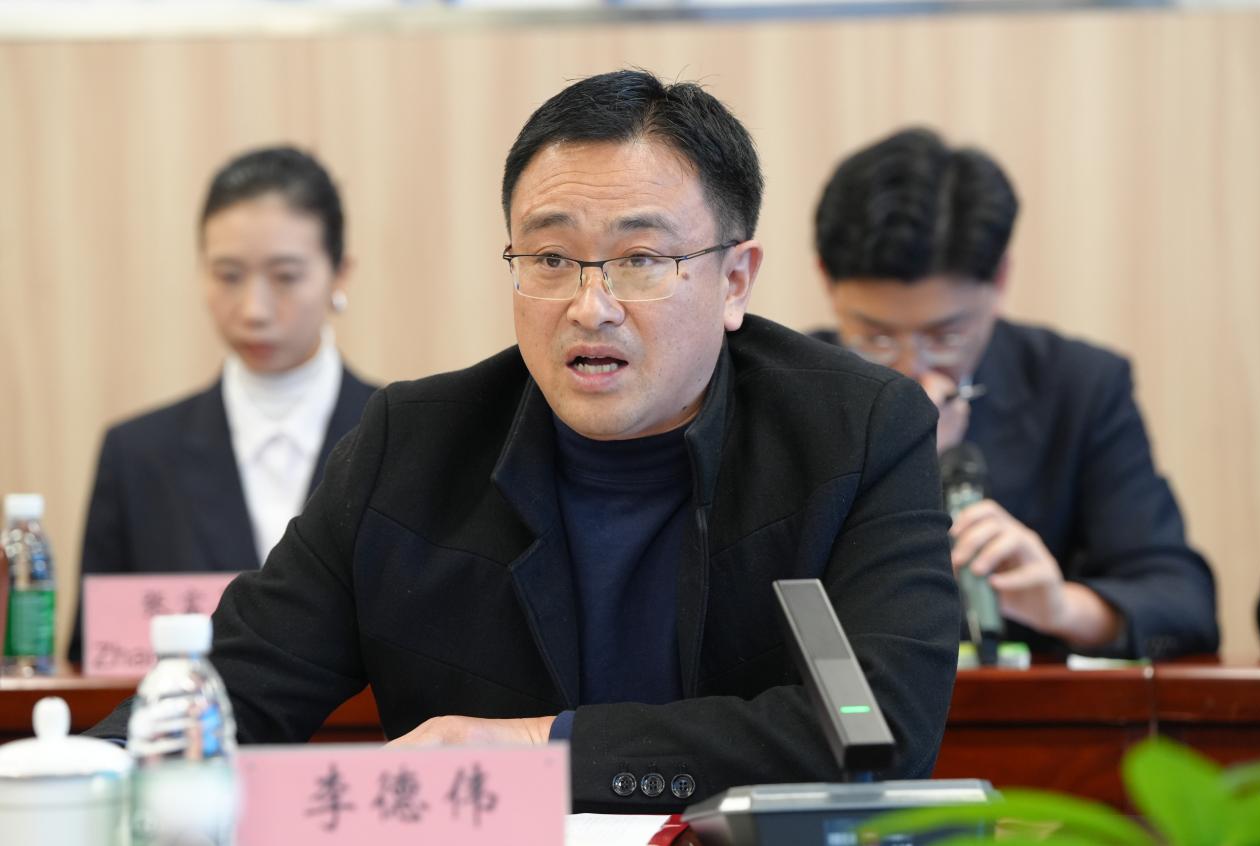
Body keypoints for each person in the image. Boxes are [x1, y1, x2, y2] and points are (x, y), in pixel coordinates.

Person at [89, 71, 960, 813]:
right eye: (549, 259)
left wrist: (542, 748)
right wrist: (80, 776)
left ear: (734, 280)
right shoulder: (410, 448)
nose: (590, 306)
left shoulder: (855, 433)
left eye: (639, 260)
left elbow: (879, 732)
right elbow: (237, 688)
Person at [811, 127, 1219, 659]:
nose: (913, 369)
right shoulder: (785, 389)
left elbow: (1182, 601)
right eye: (877, 338)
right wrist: (899, 462)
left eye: (945, 336)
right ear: (827, 280)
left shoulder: (1078, 386)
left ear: (1001, 279)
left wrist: (1063, 607)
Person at [70, 146, 376, 663]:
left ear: (339, 274)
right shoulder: (137, 456)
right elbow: (92, 663)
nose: (254, 310)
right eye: (229, 275)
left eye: (285, 276)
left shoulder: (411, 438)